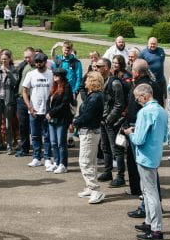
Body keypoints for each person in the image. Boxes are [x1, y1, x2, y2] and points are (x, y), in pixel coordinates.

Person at [124, 83, 169, 240]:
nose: (137, 101)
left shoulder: (144, 112)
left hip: (145, 155)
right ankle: (150, 223)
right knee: (148, 191)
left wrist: (130, 133)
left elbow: (139, 139)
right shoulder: (162, 111)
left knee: (150, 194)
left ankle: (156, 229)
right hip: (155, 153)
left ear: (144, 96)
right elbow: (165, 137)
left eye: (137, 98)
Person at [73, 71, 106, 203]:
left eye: (86, 80)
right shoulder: (94, 96)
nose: (84, 82)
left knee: (85, 161)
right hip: (91, 131)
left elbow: (87, 115)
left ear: (92, 82)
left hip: (89, 132)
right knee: (91, 161)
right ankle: (90, 187)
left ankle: (95, 189)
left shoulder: (94, 97)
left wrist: (75, 121)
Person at [95, 58, 127, 187]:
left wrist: (109, 119)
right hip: (103, 121)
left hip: (112, 122)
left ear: (106, 67)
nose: (96, 68)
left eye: (99, 66)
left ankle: (120, 176)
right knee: (105, 148)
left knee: (117, 150)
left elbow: (120, 104)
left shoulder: (115, 83)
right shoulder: (101, 81)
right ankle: (108, 171)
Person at [22, 52, 53, 167]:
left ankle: (47, 158)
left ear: (45, 62)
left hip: (47, 110)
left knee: (47, 135)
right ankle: (36, 157)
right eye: (36, 62)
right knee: (35, 135)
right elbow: (24, 90)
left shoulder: (50, 74)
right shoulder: (31, 74)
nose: (38, 64)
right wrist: (29, 105)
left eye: (40, 62)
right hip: (34, 110)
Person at [46, 68, 74, 174]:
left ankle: (63, 164)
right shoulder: (54, 86)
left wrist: (51, 113)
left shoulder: (67, 87)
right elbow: (48, 100)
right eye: (54, 75)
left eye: (57, 75)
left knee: (61, 143)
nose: (54, 77)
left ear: (61, 76)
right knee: (53, 142)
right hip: (52, 119)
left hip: (62, 119)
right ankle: (56, 163)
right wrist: (47, 112)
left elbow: (64, 104)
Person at [13, 47, 36, 157]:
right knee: (23, 125)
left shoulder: (38, 67)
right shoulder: (24, 66)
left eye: (29, 57)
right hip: (21, 99)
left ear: (34, 55)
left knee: (35, 124)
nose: (27, 59)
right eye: (25, 57)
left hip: (33, 99)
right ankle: (25, 148)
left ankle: (37, 148)